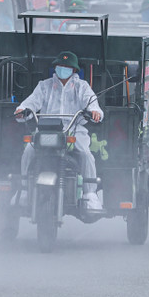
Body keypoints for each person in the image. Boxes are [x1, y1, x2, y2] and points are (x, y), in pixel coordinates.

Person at [13, 51, 104, 210]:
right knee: (29, 151)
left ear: (74, 70)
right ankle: (25, 189)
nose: (63, 69)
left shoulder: (82, 87)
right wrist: (22, 110)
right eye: (60, 66)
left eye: (67, 67)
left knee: (85, 154)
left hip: (73, 131)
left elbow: (92, 104)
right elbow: (30, 103)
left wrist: (95, 112)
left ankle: (90, 195)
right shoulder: (44, 85)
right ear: (55, 67)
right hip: (46, 131)